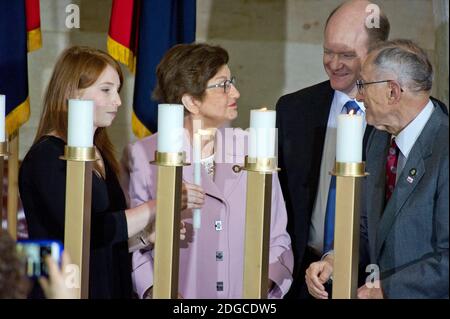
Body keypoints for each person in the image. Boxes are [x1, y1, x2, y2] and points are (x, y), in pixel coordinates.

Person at [19, 46, 193, 299]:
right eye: (106, 90)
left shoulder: (101, 153)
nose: (118, 101)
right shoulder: (46, 157)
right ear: (71, 92)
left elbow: (101, 243)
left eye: (118, 91)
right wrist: (158, 206)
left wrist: (144, 237)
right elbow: (85, 231)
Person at [125, 43, 293, 298]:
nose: (235, 92)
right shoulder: (143, 154)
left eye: (232, 81)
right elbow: (135, 241)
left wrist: (265, 285)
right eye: (223, 85)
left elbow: (277, 231)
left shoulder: (254, 147)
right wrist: (153, 289)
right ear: (191, 101)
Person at [306, 39, 448, 299]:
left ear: (393, 92)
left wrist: (388, 290)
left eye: (363, 85)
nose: (358, 96)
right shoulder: (377, 139)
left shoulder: (444, 148)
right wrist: (335, 260)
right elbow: (367, 227)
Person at [275, 0, 390, 298]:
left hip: (374, 283)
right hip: (303, 279)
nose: (334, 63)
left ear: (377, 54)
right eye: (328, 51)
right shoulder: (293, 110)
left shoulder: (399, 114)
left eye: (347, 54)